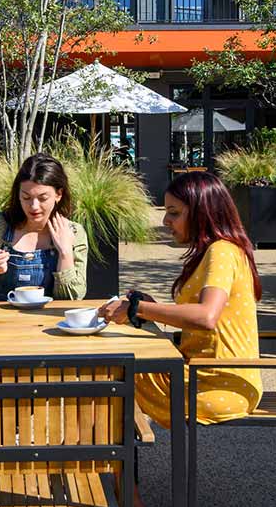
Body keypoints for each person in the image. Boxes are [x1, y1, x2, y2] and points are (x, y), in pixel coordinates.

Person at [97, 170, 262, 426]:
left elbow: (206, 317)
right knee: (113, 364)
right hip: (205, 376)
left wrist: (139, 308)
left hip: (216, 385)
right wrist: (148, 305)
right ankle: (103, 454)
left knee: (109, 369)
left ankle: (93, 456)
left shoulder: (221, 251)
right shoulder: (216, 250)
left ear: (202, 213)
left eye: (174, 213)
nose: (165, 221)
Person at [0, 154, 89, 301]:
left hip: (50, 321)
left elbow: (73, 298)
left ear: (58, 194)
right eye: (26, 197)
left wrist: (65, 253)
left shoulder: (73, 232)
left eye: (42, 198)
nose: (34, 206)